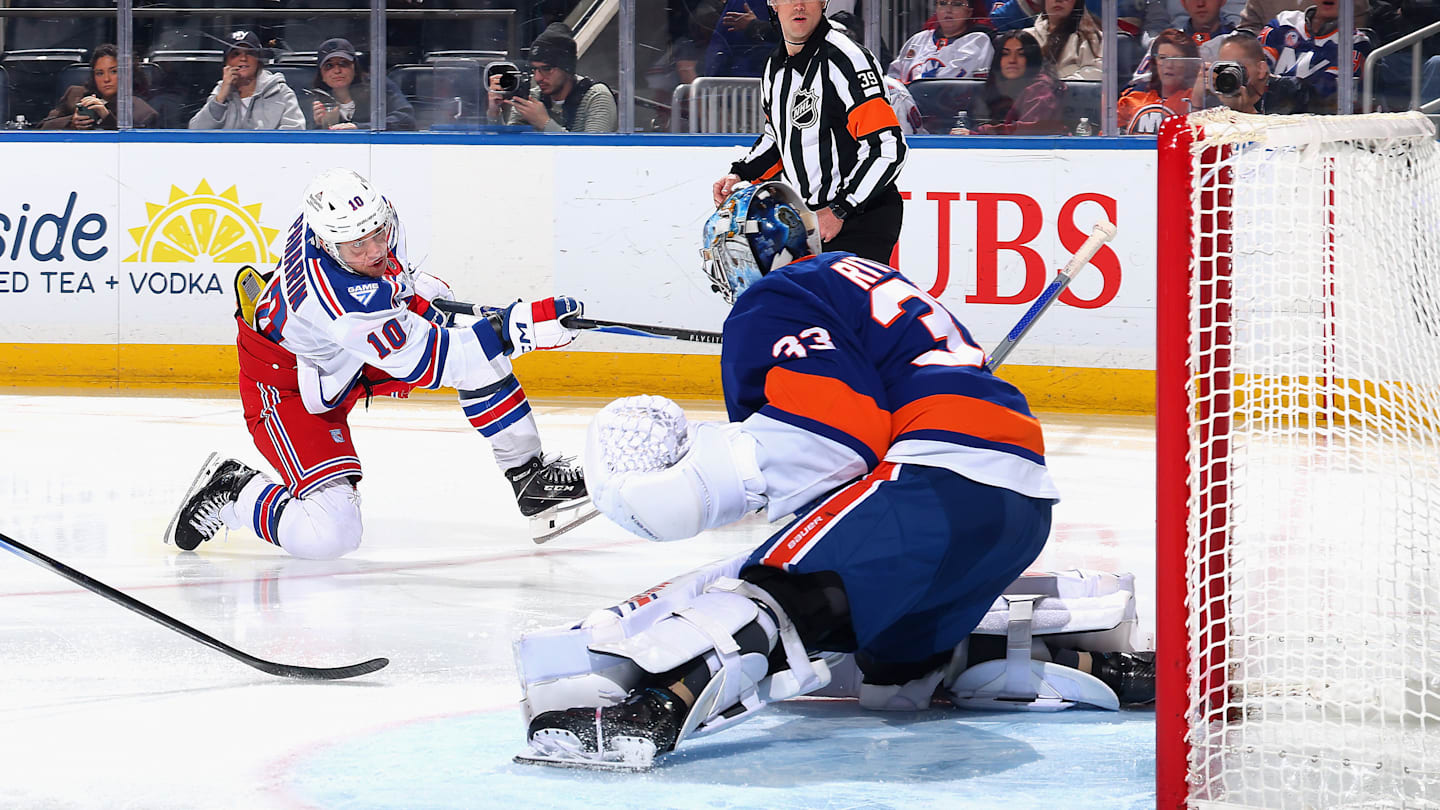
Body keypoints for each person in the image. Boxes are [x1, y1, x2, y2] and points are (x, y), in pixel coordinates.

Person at [516, 180, 1066, 769]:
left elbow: (833, 438)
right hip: (1021, 500)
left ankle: (655, 712)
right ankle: (1076, 658)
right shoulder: (860, 277)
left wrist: (690, 486)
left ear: (758, 251)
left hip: (934, 479)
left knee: (780, 588)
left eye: (728, 258)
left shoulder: (779, 292)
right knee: (890, 675)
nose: (726, 277)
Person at [165, 168, 591, 559]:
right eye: (358, 245)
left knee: (476, 347)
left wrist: (423, 301)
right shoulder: (338, 300)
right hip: (287, 380)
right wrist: (518, 329)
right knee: (331, 535)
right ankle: (235, 491)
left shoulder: (346, 221)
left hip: (337, 352)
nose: (374, 250)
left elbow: (388, 281)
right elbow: (435, 361)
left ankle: (530, 479)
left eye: (377, 234)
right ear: (328, 245)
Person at [713, 1, 907, 265]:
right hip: (811, 222)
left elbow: (887, 147)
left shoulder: (847, 59)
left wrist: (840, 209)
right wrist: (740, 174)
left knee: (830, 294)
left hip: (859, 219)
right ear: (773, 3)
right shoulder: (774, 67)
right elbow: (778, 138)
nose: (799, 5)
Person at [488, 23, 618, 133]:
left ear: (567, 68)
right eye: (534, 69)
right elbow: (511, 147)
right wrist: (495, 114)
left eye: (546, 69)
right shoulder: (532, 97)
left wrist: (545, 123)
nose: (538, 77)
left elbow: (594, 151)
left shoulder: (596, 97)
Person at [1260, 0, 1373, 113]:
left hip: (1312, 120)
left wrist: (1273, 85)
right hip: (1261, 114)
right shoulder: (1283, 21)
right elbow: (1255, 69)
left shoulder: (1355, 43)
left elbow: (1323, 95)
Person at [188, 29, 305, 130]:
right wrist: (220, 98)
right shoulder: (220, 91)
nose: (243, 58)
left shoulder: (280, 91)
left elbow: (295, 133)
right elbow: (195, 131)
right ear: (226, 63)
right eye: (236, 54)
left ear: (258, 59)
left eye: (249, 53)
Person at [958, 30, 1068, 134]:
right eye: (1005, 54)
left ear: (1032, 58)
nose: (1012, 60)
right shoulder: (996, 86)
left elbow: (1029, 132)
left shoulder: (1041, 89)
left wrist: (981, 133)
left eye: (1021, 54)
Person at [40, 43, 159, 130]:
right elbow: (42, 127)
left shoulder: (142, 111)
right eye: (99, 73)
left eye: (114, 72)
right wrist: (71, 122)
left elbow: (134, 146)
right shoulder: (74, 94)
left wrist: (106, 116)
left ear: (128, 75)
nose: (106, 79)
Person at [305, 38, 416, 131]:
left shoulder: (378, 86)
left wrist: (359, 128)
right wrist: (318, 125)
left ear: (355, 67)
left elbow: (406, 119)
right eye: (329, 66)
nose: (337, 71)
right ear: (321, 74)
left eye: (343, 64)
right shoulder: (315, 98)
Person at [887, 0, 996, 84]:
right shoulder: (919, 39)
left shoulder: (978, 41)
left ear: (969, 12)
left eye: (957, 4)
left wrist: (909, 86)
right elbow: (893, 75)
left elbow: (950, 78)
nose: (948, 10)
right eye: (942, 3)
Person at [1204, 31, 1313, 112]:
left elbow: (1285, 134)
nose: (1229, 74)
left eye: (1236, 67)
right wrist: (1198, 97)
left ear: (1261, 69)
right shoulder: (1218, 95)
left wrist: (1246, 112)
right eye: (1224, 67)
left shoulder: (1293, 91)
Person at [1118, 28, 1201, 132]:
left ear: (1189, 64)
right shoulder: (1134, 97)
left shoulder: (1197, 97)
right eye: (1162, 58)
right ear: (1154, 62)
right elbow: (1109, 138)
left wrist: (1198, 99)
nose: (1169, 65)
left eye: (1177, 59)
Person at [1025, 0, 1105, 79]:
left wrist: (1058, 84)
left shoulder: (1092, 38)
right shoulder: (1026, 36)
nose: (1058, 0)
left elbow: (1095, 74)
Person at [704, 0, 781, 77]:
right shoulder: (738, 3)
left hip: (774, 73)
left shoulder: (784, 5)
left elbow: (786, 36)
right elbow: (718, 44)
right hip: (734, 76)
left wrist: (756, 26)